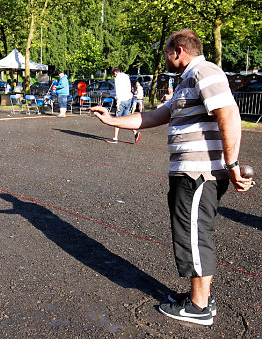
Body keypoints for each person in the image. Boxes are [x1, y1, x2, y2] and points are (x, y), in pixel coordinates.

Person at [90, 29, 253, 326]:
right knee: (190, 233)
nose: (164, 58)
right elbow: (154, 116)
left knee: (194, 235)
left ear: (178, 51)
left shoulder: (204, 71)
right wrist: (111, 120)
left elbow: (229, 113)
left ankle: (200, 307)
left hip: (199, 172)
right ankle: (198, 297)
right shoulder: (187, 80)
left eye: (166, 52)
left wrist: (232, 162)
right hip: (189, 171)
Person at [107, 67, 140, 144]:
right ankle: (135, 132)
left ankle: (115, 138)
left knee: (117, 120)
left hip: (122, 101)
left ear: (114, 73)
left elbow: (118, 92)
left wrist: (117, 104)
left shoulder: (117, 79)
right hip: (128, 99)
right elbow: (128, 88)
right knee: (125, 120)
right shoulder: (126, 76)